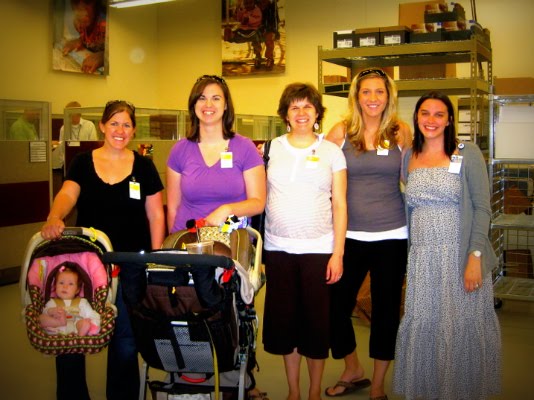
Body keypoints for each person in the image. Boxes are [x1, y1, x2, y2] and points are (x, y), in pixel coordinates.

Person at [41, 100, 165, 400]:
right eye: (114, 123)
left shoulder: (144, 167)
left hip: (130, 265)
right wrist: (55, 216)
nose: (120, 130)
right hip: (86, 265)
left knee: (125, 339)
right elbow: (68, 193)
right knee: (71, 333)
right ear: (102, 126)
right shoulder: (82, 162)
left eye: (126, 125)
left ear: (133, 130)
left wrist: (156, 258)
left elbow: (156, 215)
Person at [393, 91, 501, 399]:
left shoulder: (467, 153)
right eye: (425, 113)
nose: (431, 120)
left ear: (449, 119)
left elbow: (482, 208)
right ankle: (429, 389)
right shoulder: (409, 156)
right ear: (417, 117)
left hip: (460, 255)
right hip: (423, 258)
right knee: (426, 322)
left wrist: (475, 256)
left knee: (461, 324)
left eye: (439, 114)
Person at [166, 74, 267, 398]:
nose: (208, 104)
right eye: (201, 98)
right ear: (193, 105)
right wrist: (168, 249)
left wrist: (226, 209)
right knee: (188, 309)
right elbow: (173, 206)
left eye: (215, 98)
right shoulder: (180, 150)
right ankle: (190, 376)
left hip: (230, 245)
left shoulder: (244, 148)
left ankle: (238, 377)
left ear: (226, 106)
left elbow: (258, 200)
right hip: (189, 244)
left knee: (230, 312)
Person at [324, 68, 412, 399]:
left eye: (379, 92)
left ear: (388, 97)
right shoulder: (341, 132)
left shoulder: (400, 132)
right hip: (349, 237)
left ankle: (377, 384)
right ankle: (352, 367)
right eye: (366, 92)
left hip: (392, 235)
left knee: (386, 312)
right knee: (334, 306)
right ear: (356, 97)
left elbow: (413, 177)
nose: (373, 98)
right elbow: (320, 177)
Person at [262, 82, 347, 400]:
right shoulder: (271, 149)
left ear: (317, 113)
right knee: (286, 326)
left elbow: (340, 205)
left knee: (315, 327)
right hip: (278, 250)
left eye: (307, 106)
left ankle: (313, 392)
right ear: (285, 114)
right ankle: (294, 391)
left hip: (318, 251)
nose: (301, 112)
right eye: (294, 107)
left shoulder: (332, 152)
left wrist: (338, 253)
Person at [40, 262, 100, 336]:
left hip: (76, 327)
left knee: (84, 323)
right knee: (41, 318)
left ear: (77, 289)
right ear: (55, 286)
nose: (65, 287)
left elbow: (92, 314)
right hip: (57, 328)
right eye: (61, 283)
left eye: (70, 284)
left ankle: (81, 335)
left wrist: (93, 323)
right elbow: (45, 312)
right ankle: (60, 322)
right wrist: (51, 311)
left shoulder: (82, 302)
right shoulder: (52, 302)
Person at [62, 0, 106, 74]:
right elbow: (90, 38)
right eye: (76, 1)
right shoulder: (77, 23)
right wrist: (80, 41)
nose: (81, 7)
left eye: (87, 1)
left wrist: (104, 56)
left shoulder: (106, 24)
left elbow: (122, 50)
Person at [52, 101, 98, 171]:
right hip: (70, 162)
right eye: (68, 114)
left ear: (79, 114)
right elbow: (62, 148)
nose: (69, 116)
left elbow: (94, 145)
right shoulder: (64, 128)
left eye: (71, 114)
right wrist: (65, 162)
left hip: (86, 162)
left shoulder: (89, 125)